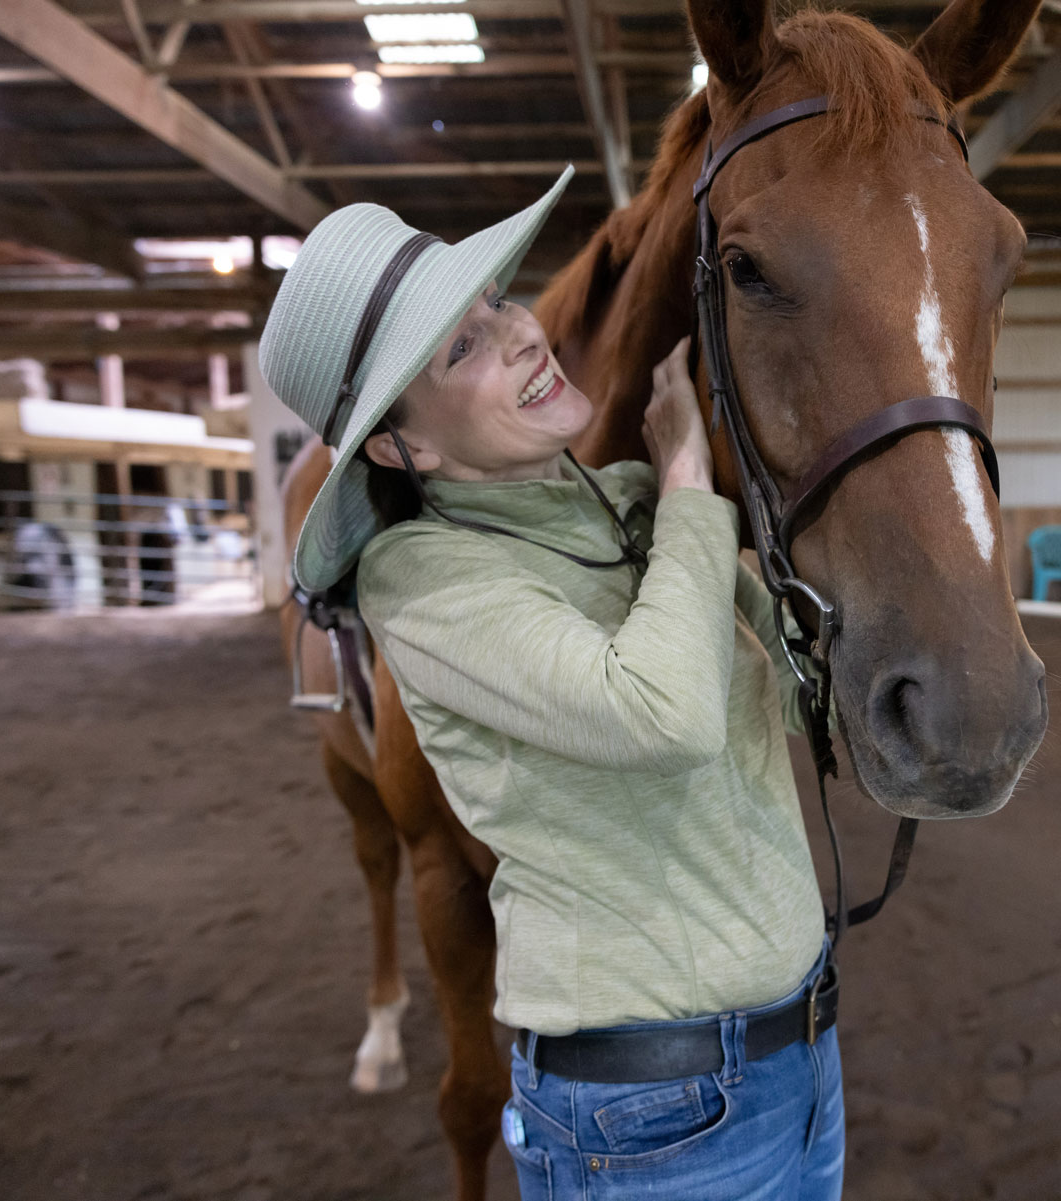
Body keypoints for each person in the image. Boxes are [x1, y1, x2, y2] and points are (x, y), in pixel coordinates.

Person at [258, 166, 843, 1200]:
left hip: (796, 1061)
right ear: (408, 444)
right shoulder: (426, 581)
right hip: (653, 1115)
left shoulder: (627, 508)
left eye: (495, 305)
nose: (523, 331)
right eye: (462, 347)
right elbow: (659, 713)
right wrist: (687, 487)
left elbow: (802, 701)